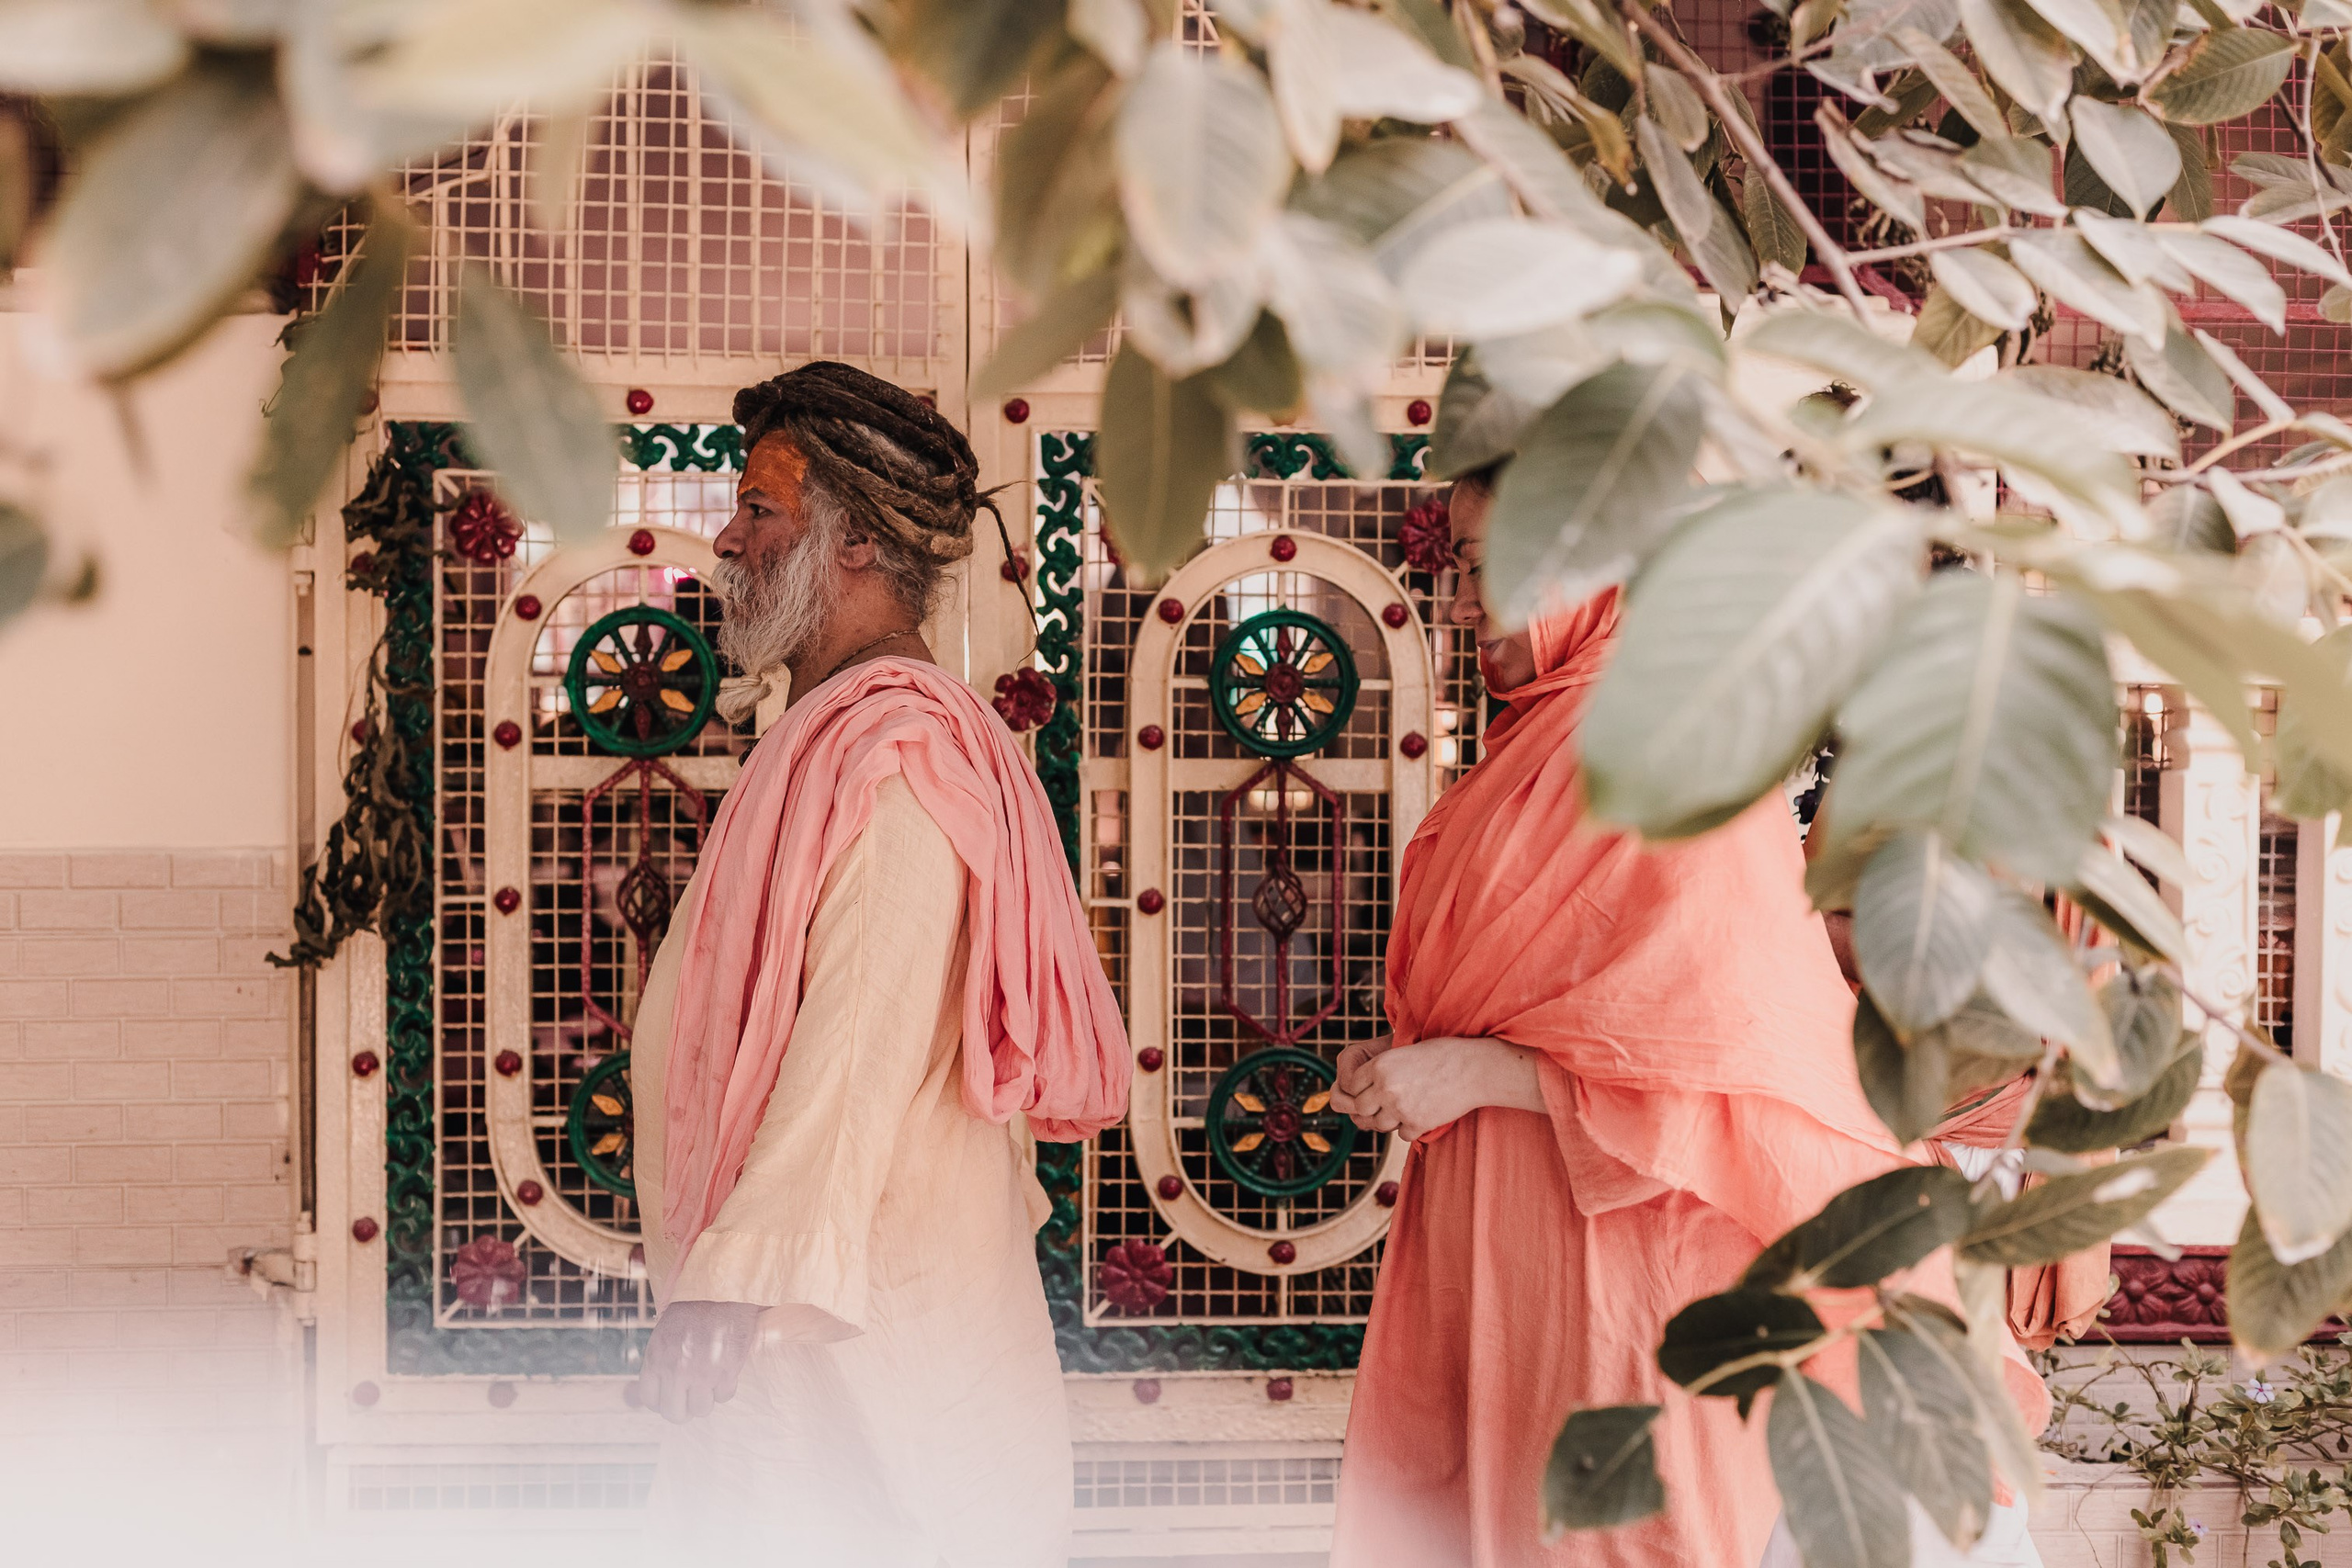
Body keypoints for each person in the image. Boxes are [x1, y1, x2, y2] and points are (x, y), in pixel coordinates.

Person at [1326, 468, 2048, 1568]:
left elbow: (1738, 1063)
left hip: (1628, 1265)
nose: (1458, 604)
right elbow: (1547, 996)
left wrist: (1476, 1075)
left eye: (1480, 568)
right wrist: (1417, 1059)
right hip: (1507, 1255)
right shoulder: (1547, 740)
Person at [624, 362, 1130, 1562]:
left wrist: (737, 1276)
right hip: (801, 1323)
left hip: (856, 1344)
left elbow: (858, 1037)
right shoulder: (823, 735)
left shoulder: (896, 759)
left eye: (760, 508)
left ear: (853, 541)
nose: (727, 537)